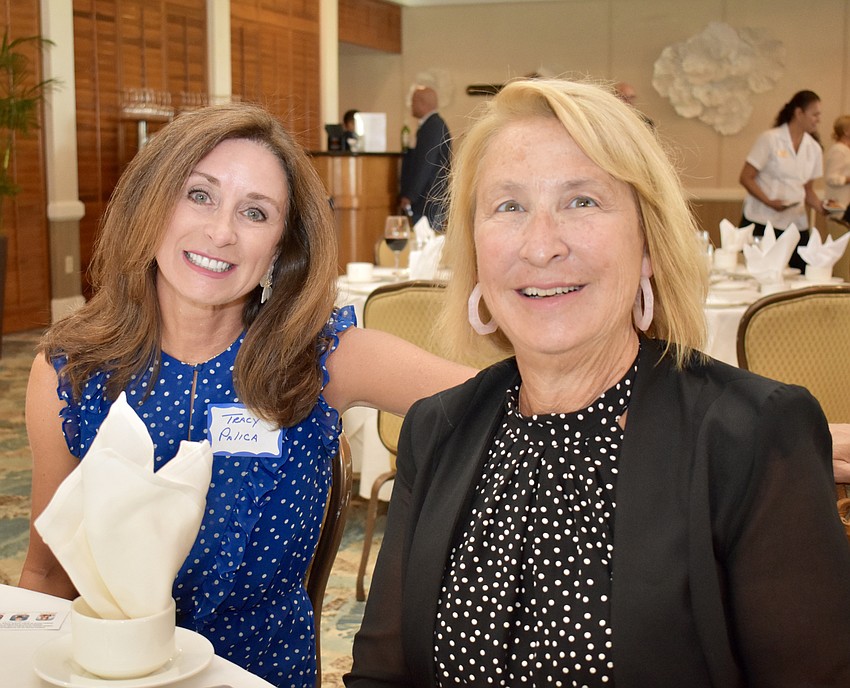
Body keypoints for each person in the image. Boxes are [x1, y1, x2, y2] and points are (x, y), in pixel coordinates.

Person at [347, 78, 850, 686]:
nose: (541, 245)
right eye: (508, 206)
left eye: (581, 201)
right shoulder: (438, 428)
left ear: (647, 245)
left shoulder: (748, 438)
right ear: (474, 253)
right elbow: (382, 674)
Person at [18, 102, 473, 688]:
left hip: (261, 675)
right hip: (108, 675)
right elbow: (48, 575)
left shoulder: (321, 356)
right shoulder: (71, 371)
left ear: (282, 246)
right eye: (199, 195)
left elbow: (499, 400)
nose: (221, 231)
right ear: (151, 204)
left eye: (254, 212)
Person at [739, 90, 827, 270]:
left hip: (795, 223)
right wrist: (769, 201)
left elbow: (807, 190)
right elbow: (746, 177)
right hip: (762, 220)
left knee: (802, 271)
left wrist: (822, 207)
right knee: (757, 272)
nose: (818, 119)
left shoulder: (814, 148)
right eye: (815, 114)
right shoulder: (770, 139)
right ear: (799, 113)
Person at [399, 86, 452, 230]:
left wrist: (410, 196)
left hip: (428, 202)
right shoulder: (433, 125)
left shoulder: (433, 127)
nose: (410, 105)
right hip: (429, 200)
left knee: (426, 247)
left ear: (422, 103)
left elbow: (424, 165)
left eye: (413, 101)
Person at [824, 115, 850, 210]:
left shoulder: (847, 150)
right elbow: (831, 178)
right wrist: (848, 179)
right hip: (838, 207)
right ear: (846, 131)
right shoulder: (838, 150)